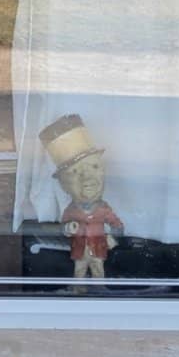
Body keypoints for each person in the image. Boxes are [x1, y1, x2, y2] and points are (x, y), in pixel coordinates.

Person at [42, 114, 123, 283]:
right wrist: (67, 228)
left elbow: (117, 225)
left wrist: (113, 238)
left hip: (99, 250)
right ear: (63, 185)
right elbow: (63, 227)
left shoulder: (104, 209)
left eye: (94, 166)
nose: (87, 178)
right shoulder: (70, 211)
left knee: (98, 272)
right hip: (79, 251)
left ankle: (99, 292)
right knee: (79, 273)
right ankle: (78, 291)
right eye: (74, 172)